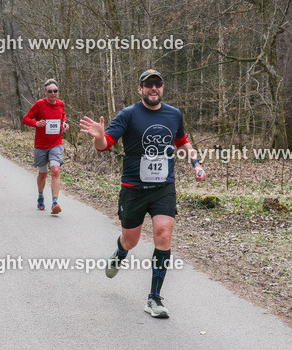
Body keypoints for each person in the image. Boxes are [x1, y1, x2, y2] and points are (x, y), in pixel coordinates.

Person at [79, 69, 206, 319]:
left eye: (158, 84)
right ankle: (120, 252)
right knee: (131, 240)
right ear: (140, 90)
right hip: (133, 189)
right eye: (148, 85)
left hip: (163, 187)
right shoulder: (128, 115)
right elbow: (105, 144)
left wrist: (196, 163)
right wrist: (97, 138)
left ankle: (154, 298)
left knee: (163, 234)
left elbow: (182, 141)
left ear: (162, 88)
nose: (153, 88)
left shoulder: (174, 114)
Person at [23, 78, 69, 214]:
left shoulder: (61, 104)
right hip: (41, 145)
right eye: (50, 91)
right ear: (45, 92)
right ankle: (40, 196)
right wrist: (36, 124)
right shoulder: (39, 105)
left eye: (55, 91)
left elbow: (63, 117)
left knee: (55, 170)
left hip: (56, 143)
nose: (53, 93)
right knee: (42, 174)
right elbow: (25, 119)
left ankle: (55, 202)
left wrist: (65, 124)